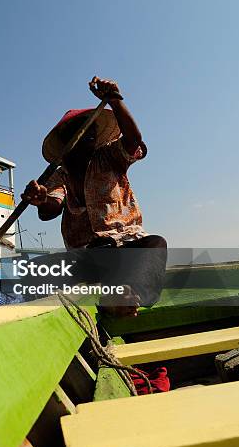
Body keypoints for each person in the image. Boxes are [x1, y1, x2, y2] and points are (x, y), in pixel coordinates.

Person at [21, 76, 167, 316]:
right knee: (42, 269)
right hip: (88, 256)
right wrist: (41, 197)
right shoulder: (60, 176)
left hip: (127, 247)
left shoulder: (110, 157)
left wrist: (115, 101)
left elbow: (133, 141)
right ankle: (109, 299)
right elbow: (53, 205)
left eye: (90, 135)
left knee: (156, 243)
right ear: (68, 145)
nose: (87, 139)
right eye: (80, 136)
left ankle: (132, 298)